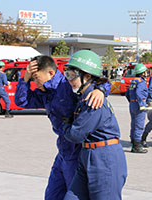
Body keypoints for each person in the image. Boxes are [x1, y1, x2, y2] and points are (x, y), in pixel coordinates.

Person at [15, 55, 111, 200]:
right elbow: (22, 101)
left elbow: (96, 82)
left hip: (77, 151)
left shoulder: (67, 85)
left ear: (50, 73)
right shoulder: (45, 94)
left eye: (36, 77)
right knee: (52, 195)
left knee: (75, 195)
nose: (35, 82)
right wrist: (25, 79)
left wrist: (101, 90)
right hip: (63, 151)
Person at [62, 50, 127, 200]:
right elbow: (105, 82)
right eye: (67, 74)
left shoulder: (93, 101)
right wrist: (102, 88)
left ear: (87, 76)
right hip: (87, 155)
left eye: (72, 75)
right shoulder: (85, 94)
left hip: (104, 157)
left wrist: (65, 124)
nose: (69, 80)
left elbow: (76, 134)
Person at [126, 63, 148, 153]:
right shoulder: (141, 82)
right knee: (139, 125)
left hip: (132, 103)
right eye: (145, 71)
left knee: (134, 124)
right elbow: (139, 93)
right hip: (139, 105)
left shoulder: (133, 81)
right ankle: (137, 146)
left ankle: (133, 141)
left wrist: (132, 101)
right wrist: (142, 104)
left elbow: (127, 93)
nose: (147, 73)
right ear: (142, 73)